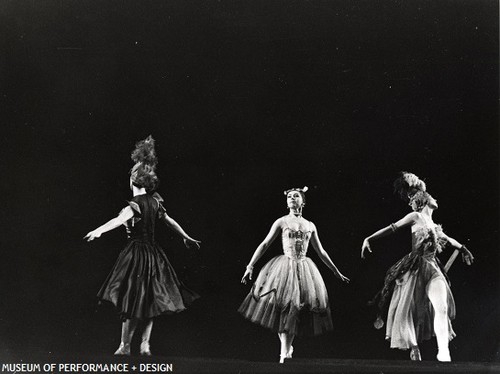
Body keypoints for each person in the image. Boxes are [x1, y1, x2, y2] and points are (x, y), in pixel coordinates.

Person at [84, 136, 201, 356]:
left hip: (136, 254)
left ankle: (124, 345)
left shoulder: (135, 204)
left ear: (132, 181)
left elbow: (118, 221)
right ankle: (145, 343)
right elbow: (170, 221)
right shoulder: (156, 202)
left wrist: (99, 230)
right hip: (154, 255)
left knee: (130, 298)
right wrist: (186, 236)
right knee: (150, 299)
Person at [361, 172, 474, 362]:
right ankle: (413, 346)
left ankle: (443, 351)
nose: (433, 198)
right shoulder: (415, 216)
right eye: (429, 197)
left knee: (442, 307)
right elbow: (392, 227)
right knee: (406, 311)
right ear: (422, 199)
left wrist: (463, 248)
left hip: (432, 268)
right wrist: (369, 238)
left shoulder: (434, 225)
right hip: (416, 267)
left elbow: (448, 239)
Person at [239, 187, 350, 363]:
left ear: (303, 202)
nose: (292, 198)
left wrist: (335, 271)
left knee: (294, 310)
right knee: (283, 309)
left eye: (296, 196)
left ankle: (285, 352)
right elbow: (265, 243)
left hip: (304, 269)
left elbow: (321, 251)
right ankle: (285, 352)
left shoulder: (310, 225)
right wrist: (250, 265)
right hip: (284, 269)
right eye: (289, 196)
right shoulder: (281, 222)